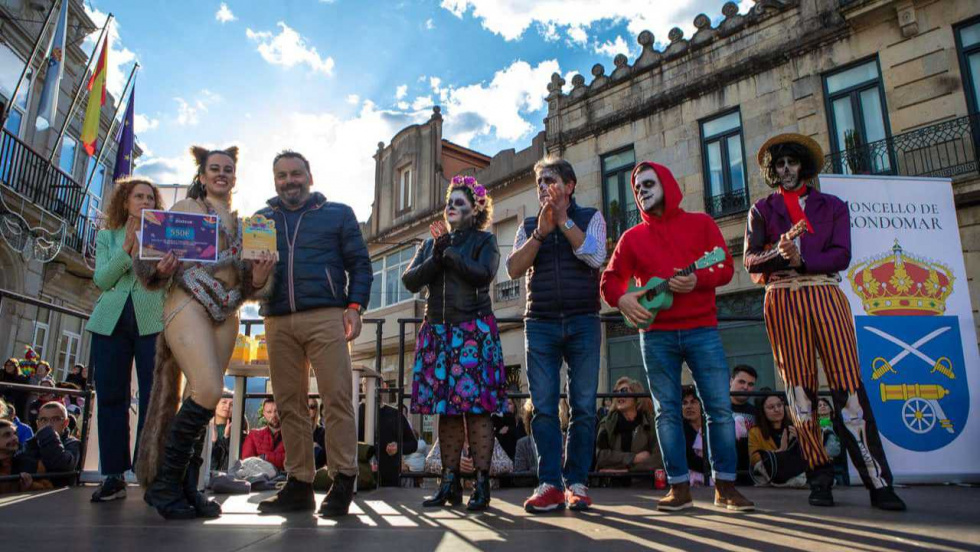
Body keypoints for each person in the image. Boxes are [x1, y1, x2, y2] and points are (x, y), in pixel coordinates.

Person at [744, 133, 905, 511]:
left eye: (792, 163)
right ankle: (819, 478)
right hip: (781, 298)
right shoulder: (761, 210)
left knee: (848, 387)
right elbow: (750, 260)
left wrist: (801, 259)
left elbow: (842, 254)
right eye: (779, 164)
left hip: (824, 292)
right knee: (799, 394)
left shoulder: (832, 206)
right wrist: (777, 256)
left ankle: (878, 482)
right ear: (773, 170)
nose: (785, 169)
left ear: (804, 167)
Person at [601, 161, 753, 512]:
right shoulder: (631, 238)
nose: (641, 190)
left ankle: (725, 486)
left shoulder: (701, 224)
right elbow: (610, 280)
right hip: (655, 334)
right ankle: (678, 488)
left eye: (648, 183)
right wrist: (621, 299)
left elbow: (726, 267)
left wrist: (698, 280)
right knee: (666, 412)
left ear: (667, 183)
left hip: (702, 329)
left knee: (718, 408)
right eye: (636, 187)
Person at [135, 146, 276, 520]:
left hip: (227, 311)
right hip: (188, 304)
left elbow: (249, 283)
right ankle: (165, 486)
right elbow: (148, 257)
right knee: (211, 388)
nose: (222, 174)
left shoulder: (246, 225)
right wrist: (159, 267)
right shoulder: (184, 211)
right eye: (214, 168)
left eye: (228, 169)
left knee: (206, 397)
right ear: (201, 175)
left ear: (235, 176)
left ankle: (184, 486)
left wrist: (259, 277)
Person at [255, 150, 372, 518]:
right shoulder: (260, 219)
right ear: (275, 181)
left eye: (296, 173)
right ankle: (299, 484)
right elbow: (249, 277)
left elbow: (360, 265)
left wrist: (354, 307)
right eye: (282, 175)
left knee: (337, 398)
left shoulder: (338, 213)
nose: (289, 180)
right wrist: (255, 278)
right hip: (277, 319)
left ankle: (343, 480)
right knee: (288, 403)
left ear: (310, 176)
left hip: (327, 315)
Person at [506, 156, 606, 513]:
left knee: (583, 406)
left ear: (569, 185)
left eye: (550, 180)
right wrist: (539, 234)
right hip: (541, 322)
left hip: (583, 320)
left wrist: (563, 222)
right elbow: (514, 268)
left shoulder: (591, 216)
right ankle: (548, 482)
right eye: (539, 182)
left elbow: (596, 257)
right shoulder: (530, 224)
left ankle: (576, 483)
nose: (543, 187)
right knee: (544, 407)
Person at [403, 174, 505, 512]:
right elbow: (409, 280)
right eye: (449, 201)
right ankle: (448, 483)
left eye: (459, 202)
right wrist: (436, 255)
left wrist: (450, 256)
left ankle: (481, 483)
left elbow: (483, 273)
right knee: (445, 410)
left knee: (476, 410)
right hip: (438, 332)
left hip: (472, 331)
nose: (451, 207)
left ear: (475, 209)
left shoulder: (484, 240)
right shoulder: (433, 243)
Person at [85, 177, 167, 503]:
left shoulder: (162, 237)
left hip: (152, 323)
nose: (145, 201)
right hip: (110, 323)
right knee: (110, 398)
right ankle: (113, 476)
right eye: (139, 196)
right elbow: (102, 280)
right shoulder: (107, 237)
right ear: (125, 201)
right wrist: (126, 249)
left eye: (150, 197)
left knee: (152, 399)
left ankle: (148, 474)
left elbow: (166, 279)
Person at [595, 377, 662, 475]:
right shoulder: (606, 423)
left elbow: (658, 459)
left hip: (642, 484)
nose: (619, 395)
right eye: (615, 392)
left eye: (624, 391)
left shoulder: (650, 422)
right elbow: (601, 456)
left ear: (636, 395)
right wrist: (633, 458)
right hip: (612, 484)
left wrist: (627, 471)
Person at [358, 383, 418, 488]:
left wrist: (398, 447)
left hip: (390, 479)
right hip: (362, 477)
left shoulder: (396, 414)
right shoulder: (356, 412)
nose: (373, 386)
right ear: (363, 387)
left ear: (384, 387)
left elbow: (413, 444)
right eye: (366, 383)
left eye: (378, 383)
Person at [17, 402, 80, 488]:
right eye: (44, 420)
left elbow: (62, 466)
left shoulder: (72, 443)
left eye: (55, 419)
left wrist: (48, 435)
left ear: (66, 423)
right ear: (37, 423)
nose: (49, 424)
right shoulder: (30, 444)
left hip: (62, 497)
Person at [748, 395, 807, 487]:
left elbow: (808, 453)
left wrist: (799, 439)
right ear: (763, 411)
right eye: (771, 407)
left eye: (779, 405)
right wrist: (779, 452)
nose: (777, 410)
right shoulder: (755, 432)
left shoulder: (794, 428)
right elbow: (754, 459)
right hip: (770, 471)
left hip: (792, 469)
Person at [730, 365, 758, 485]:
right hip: (724, 475)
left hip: (750, 477)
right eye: (741, 382)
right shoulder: (718, 410)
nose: (745, 387)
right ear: (731, 381)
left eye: (750, 384)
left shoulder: (756, 412)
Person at [242, 399, 286, 471]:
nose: (273, 415)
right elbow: (247, 462)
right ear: (264, 414)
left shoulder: (293, 436)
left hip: (286, 478)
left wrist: (264, 457)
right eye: (269, 412)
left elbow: (294, 460)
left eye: (276, 411)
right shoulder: (254, 435)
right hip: (261, 479)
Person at [681, 387, 712, 487]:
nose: (688, 406)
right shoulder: (679, 429)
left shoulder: (712, 427)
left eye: (693, 402)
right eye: (684, 403)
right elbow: (688, 459)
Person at [211, 392, 246, 473]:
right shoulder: (204, 427)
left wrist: (227, 437)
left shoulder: (239, 430)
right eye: (224, 402)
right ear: (215, 405)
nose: (227, 406)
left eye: (232, 404)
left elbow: (236, 459)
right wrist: (213, 442)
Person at [817, 398, 847, 486]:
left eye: (825, 405)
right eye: (819, 405)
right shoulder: (813, 426)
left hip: (836, 459)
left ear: (830, 408)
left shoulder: (837, 424)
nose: (822, 406)